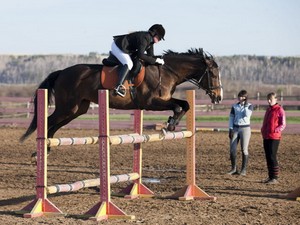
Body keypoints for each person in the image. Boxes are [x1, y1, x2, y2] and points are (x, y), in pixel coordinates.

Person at [110, 24, 166, 97]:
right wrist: (155, 60)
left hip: (126, 49)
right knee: (129, 63)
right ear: (154, 33)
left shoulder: (150, 41)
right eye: (159, 37)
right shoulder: (145, 38)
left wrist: (158, 59)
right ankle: (118, 86)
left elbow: (150, 56)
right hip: (118, 46)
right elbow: (141, 55)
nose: (159, 40)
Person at [261, 92, 286, 184]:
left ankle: (275, 177)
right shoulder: (268, 110)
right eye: (268, 99)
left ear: (275, 99)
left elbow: (283, 124)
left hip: (274, 137)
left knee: (272, 156)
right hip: (266, 136)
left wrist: (275, 130)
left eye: (270, 99)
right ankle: (270, 176)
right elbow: (265, 122)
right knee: (268, 156)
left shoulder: (279, 110)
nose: (269, 101)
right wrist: (263, 130)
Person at [228, 90, 253, 176]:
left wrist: (245, 105)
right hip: (235, 128)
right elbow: (231, 117)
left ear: (245, 97)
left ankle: (243, 169)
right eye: (239, 96)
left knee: (244, 149)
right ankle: (233, 168)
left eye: (242, 97)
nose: (240, 98)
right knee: (232, 149)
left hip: (245, 128)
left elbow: (247, 115)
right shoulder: (234, 106)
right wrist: (230, 128)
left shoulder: (249, 106)